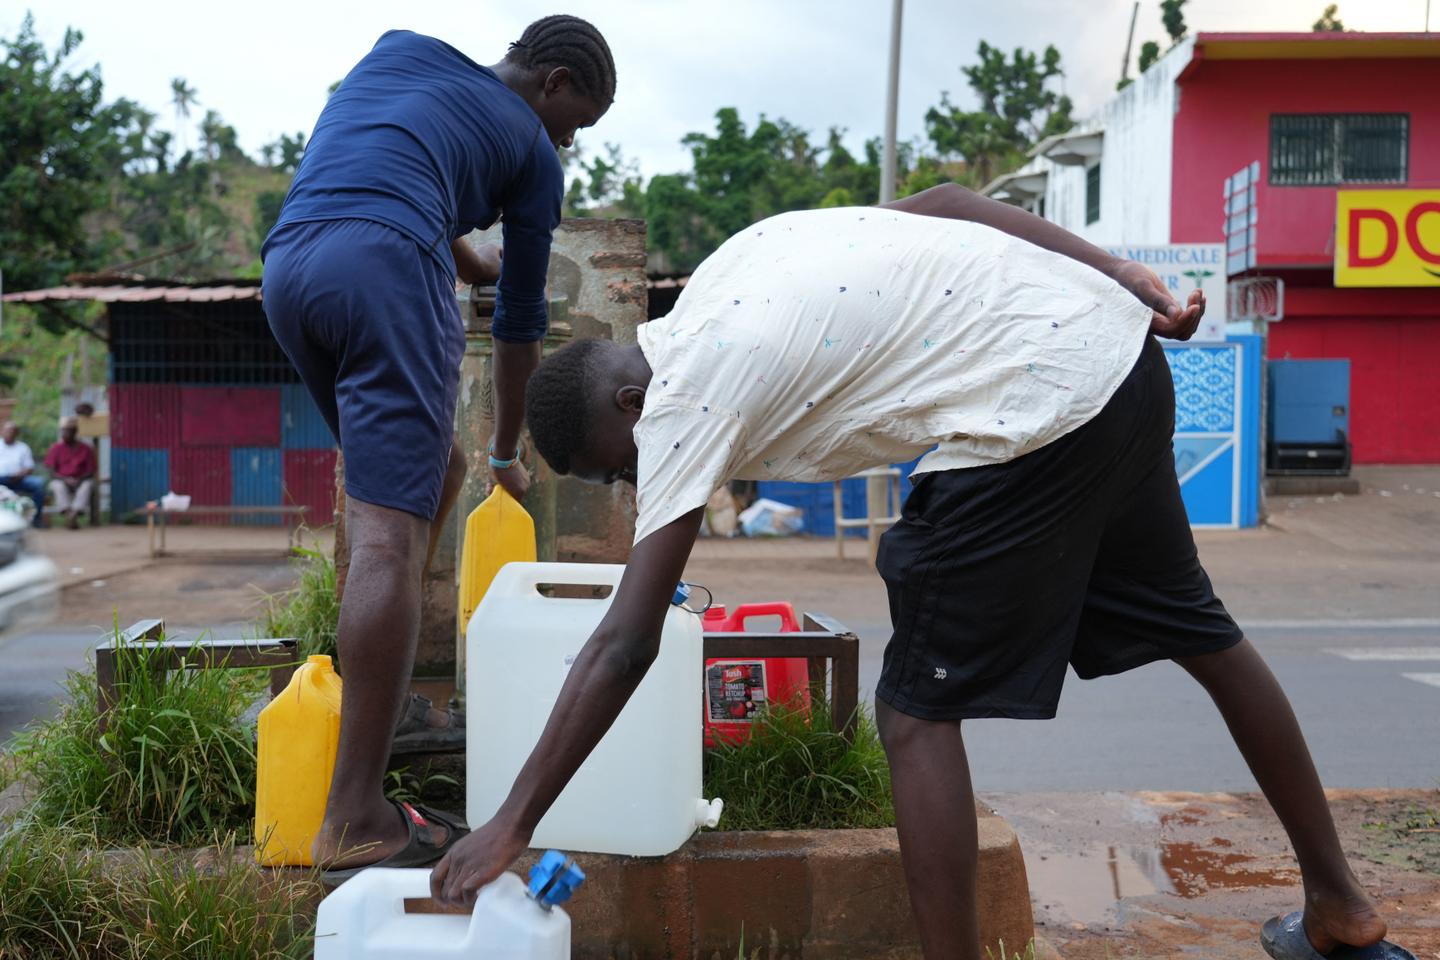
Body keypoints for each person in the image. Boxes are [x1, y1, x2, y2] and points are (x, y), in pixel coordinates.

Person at [431, 184, 1410, 960]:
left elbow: (626, 640)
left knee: (913, 716)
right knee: (1203, 632)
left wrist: (511, 821)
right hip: (1115, 358)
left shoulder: (684, 398)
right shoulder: (735, 266)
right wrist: (1125, 277)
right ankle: (1340, 902)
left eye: (622, 470)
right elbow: (945, 200)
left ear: (630, 400)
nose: (637, 489)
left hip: (1028, 414)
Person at [260, 16, 615, 878]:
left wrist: (467, 255)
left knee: (422, 487)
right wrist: (502, 447)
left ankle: (389, 705)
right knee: (391, 532)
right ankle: (357, 818)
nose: (564, 140)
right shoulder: (532, 152)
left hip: (292, 265)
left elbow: (385, 160)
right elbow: (522, 328)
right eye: (575, 123)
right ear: (556, 81)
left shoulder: (397, 51)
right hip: (387, 270)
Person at [43, 416, 96, 530]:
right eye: (63, 431)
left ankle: (75, 513)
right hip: (62, 480)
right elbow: (51, 471)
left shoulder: (85, 448)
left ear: (75, 432)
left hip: (80, 480)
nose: (65, 434)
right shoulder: (56, 448)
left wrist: (78, 479)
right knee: (57, 485)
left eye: (68, 431)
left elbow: (91, 470)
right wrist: (65, 479)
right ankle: (69, 515)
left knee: (87, 485)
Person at [0, 422, 47, 528]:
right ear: (2, 432)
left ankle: (36, 519)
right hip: (0, 479)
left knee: (38, 485)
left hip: (18, 479)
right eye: (7, 431)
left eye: (12, 432)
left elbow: (29, 467)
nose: (9, 434)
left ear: (17, 433)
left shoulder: (23, 447)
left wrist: (20, 474)